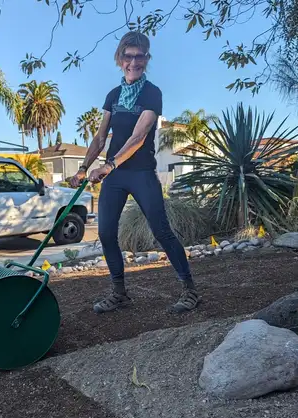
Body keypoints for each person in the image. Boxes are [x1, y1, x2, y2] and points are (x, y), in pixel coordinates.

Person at [69, 31, 199, 314]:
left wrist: (109, 165)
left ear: (146, 58)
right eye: (128, 56)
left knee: (162, 231)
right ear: (120, 58)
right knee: (105, 233)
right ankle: (119, 293)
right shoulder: (113, 96)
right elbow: (100, 138)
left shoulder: (152, 93)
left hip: (140, 173)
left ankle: (189, 290)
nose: (133, 61)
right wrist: (82, 168)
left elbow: (139, 137)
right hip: (114, 177)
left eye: (140, 56)